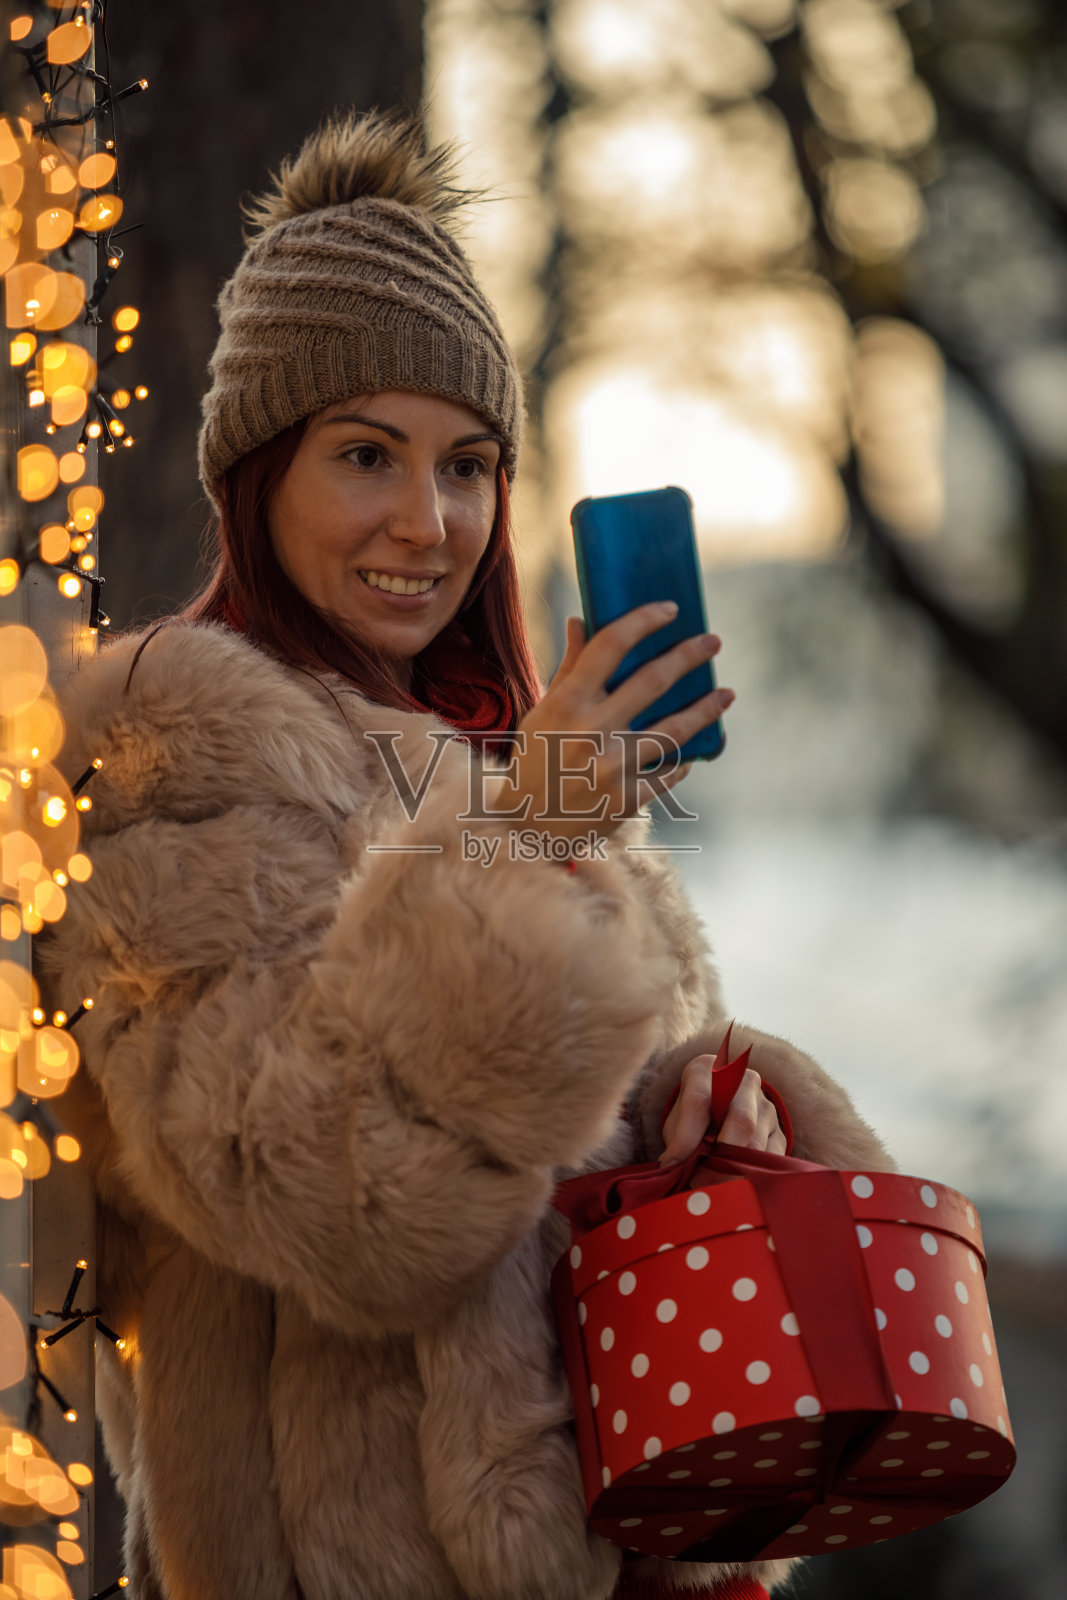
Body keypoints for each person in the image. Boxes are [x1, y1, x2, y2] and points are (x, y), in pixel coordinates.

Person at [40, 112, 893, 1600]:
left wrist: (702, 1112)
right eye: (364, 455)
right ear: (256, 472)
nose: (426, 524)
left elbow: (550, 1161)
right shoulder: (164, 759)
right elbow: (343, 1200)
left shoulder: (497, 767)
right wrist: (528, 838)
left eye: (470, 465)